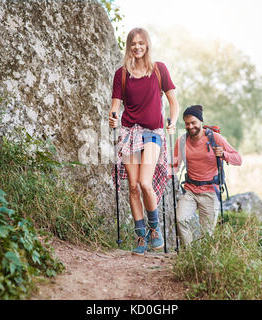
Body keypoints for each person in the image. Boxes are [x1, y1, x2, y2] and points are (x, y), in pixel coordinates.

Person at [109, 27, 180, 255]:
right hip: (130, 132)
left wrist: (174, 120)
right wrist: (112, 118)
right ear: (129, 46)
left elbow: (173, 101)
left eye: (141, 43)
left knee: (144, 183)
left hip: (153, 133)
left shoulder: (159, 69)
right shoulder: (121, 74)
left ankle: (154, 229)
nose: (137, 47)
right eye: (133, 43)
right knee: (132, 186)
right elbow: (115, 105)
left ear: (147, 44)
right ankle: (141, 237)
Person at [173, 105, 242, 246]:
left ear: (201, 122)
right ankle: (189, 254)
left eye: (193, 123)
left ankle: (204, 260)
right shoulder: (181, 141)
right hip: (190, 190)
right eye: (187, 124)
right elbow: (174, 166)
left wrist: (223, 154)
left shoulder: (215, 138)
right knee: (180, 219)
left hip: (210, 191)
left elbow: (238, 159)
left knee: (207, 234)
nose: (190, 126)